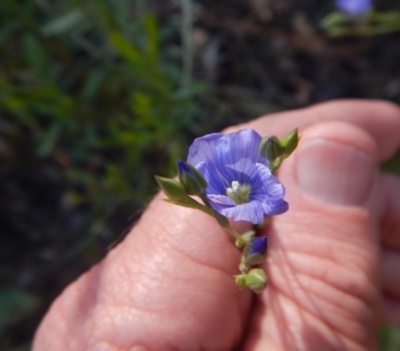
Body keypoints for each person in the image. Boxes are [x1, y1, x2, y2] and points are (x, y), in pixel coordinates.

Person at [33, 100, 400, 351]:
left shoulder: (248, 190)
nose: (237, 190)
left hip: (250, 199)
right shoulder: (220, 194)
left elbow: (270, 199)